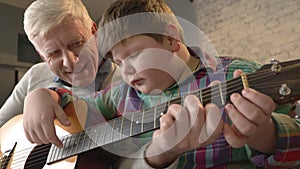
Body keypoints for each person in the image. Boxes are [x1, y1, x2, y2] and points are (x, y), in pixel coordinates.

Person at [23, 0, 300, 168]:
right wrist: (44, 95)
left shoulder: (238, 75)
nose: (127, 71)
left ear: (170, 39)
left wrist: (267, 135)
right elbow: (79, 106)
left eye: (134, 55)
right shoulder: (121, 94)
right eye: (119, 63)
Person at [0, 0, 121, 127]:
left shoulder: (130, 87)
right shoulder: (35, 76)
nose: (71, 63)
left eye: (76, 43)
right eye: (54, 53)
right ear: (42, 55)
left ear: (94, 32)